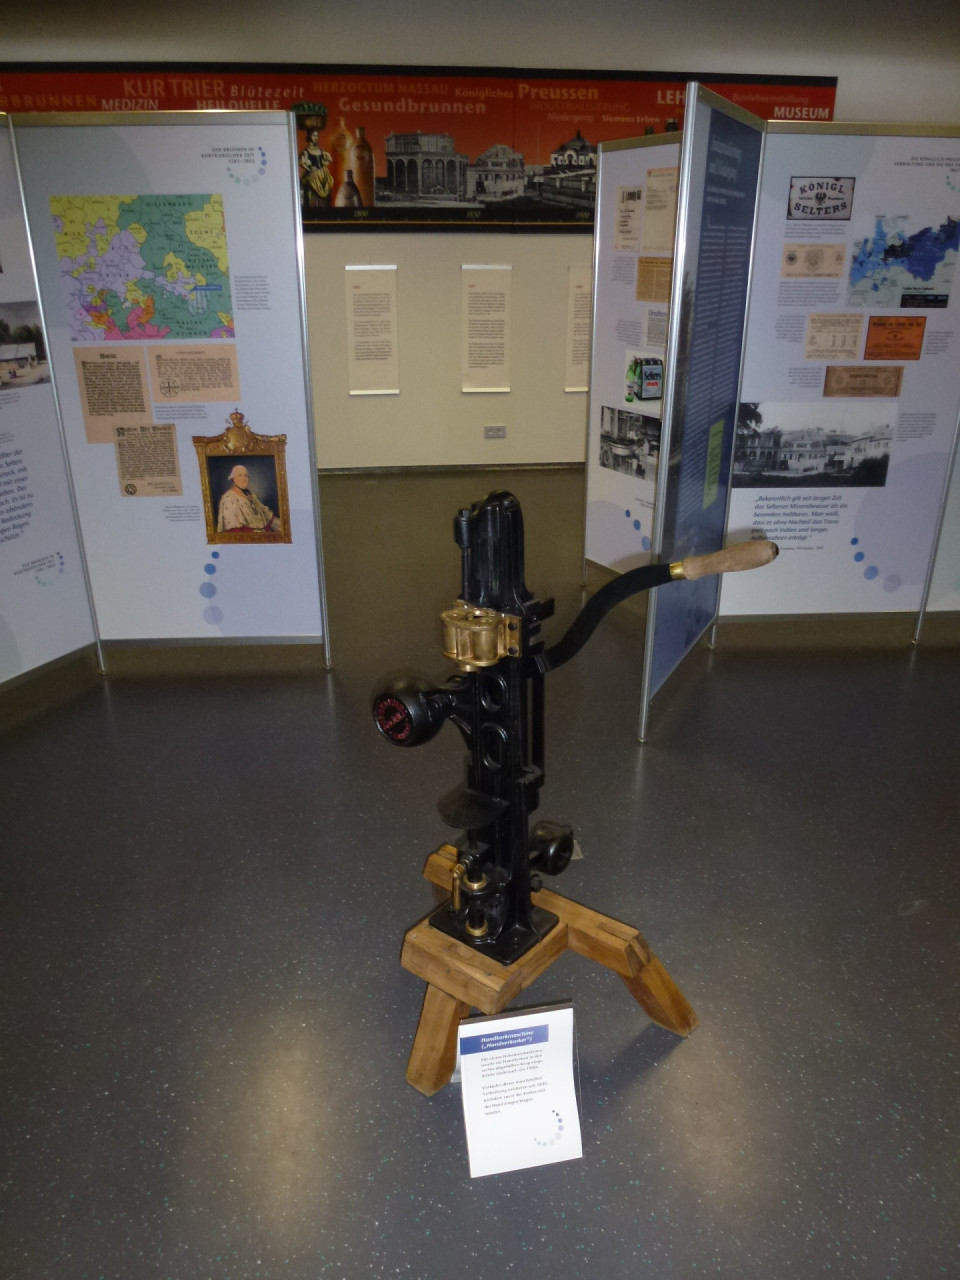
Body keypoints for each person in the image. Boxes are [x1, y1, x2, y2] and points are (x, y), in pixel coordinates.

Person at [217, 464, 282, 533]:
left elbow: (266, 514)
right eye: (240, 476)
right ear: (233, 479)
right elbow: (235, 531)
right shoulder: (228, 499)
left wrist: (282, 527)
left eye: (245, 476)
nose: (244, 479)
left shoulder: (251, 495)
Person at [299, 129, 334, 208]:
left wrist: (323, 166)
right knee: (312, 194)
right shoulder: (306, 151)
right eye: (314, 135)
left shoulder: (320, 151)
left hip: (322, 175)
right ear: (309, 137)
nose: (316, 138)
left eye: (317, 136)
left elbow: (328, 160)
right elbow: (302, 163)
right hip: (312, 176)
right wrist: (310, 169)